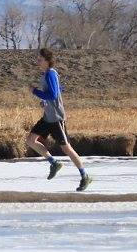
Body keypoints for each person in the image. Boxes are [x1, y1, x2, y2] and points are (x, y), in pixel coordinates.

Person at [26, 48, 92, 191]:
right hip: (47, 117)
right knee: (31, 140)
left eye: (40, 59)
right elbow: (57, 90)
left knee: (66, 148)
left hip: (56, 118)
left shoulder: (50, 73)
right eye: (37, 59)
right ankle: (54, 163)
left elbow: (54, 94)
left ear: (47, 61)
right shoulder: (46, 75)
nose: (38, 62)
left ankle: (85, 176)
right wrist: (44, 101)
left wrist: (35, 92)